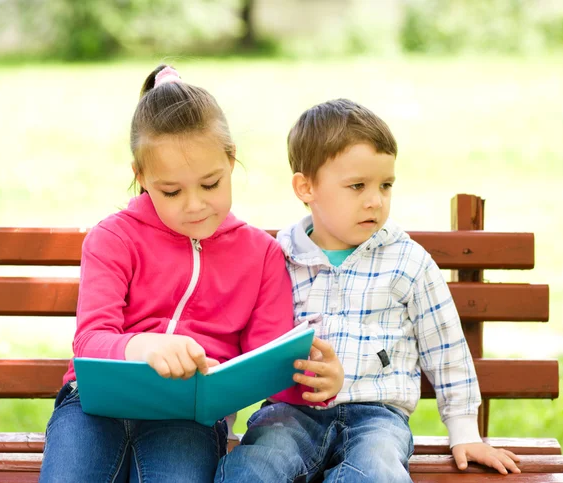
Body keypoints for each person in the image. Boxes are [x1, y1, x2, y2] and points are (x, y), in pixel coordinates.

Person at [39, 66, 344, 483]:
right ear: (141, 176)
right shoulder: (113, 238)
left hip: (187, 418)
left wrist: (311, 382)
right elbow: (90, 340)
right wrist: (143, 346)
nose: (195, 204)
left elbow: (267, 368)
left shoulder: (261, 256)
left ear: (231, 159)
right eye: (171, 191)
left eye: (210, 183)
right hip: (93, 409)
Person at [215, 99, 521, 482]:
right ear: (305, 186)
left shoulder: (408, 262)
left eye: (386, 185)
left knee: (376, 470)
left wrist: (464, 432)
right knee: (254, 466)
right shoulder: (278, 259)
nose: (375, 200)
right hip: (292, 412)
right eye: (357, 186)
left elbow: (446, 349)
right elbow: (244, 347)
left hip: (378, 415)